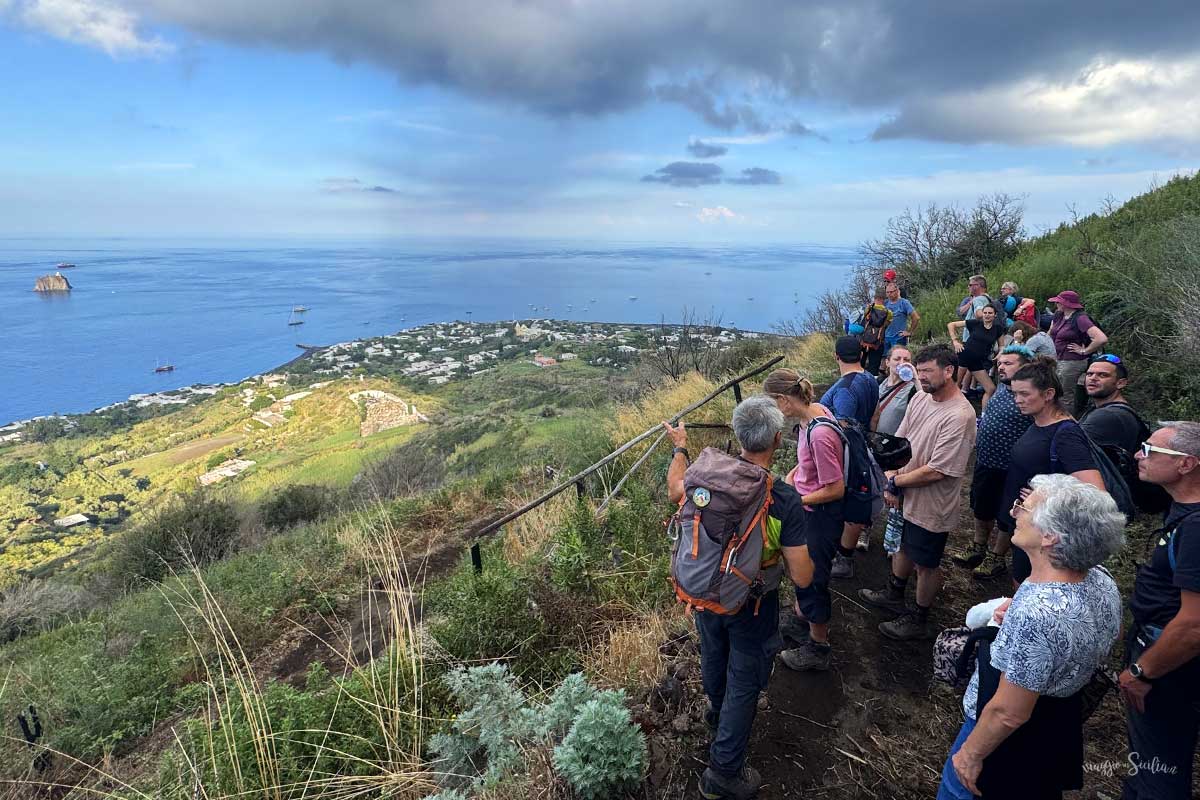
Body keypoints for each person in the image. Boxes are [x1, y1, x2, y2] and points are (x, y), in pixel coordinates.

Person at [939, 474, 1124, 800]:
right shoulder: (1101, 580)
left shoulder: (1040, 613)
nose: (1014, 513)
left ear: (1050, 536)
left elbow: (1009, 712)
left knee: (959, 788)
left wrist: (970, 756)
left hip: (1013, 731)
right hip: (1057, 722)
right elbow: (1094, 632)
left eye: (1023, 507)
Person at [665, 398, 814, 800]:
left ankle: (716, 713)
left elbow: (674, 488)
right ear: (779, 440)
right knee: (745, 682)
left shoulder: (705, 477)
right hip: (753, 601)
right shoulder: (781, 499)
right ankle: (722, 774)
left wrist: (680, 446)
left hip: (706, 592)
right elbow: (802, 576)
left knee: (713, 652)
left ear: (737, 435)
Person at [858, 344, 978, 640]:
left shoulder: (960, 415)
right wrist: (891, 474)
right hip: (905, 491)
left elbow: (938, 470)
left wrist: (896, 482)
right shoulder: (922, 398)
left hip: (932, 503)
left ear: (949, 371)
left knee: (926, 562)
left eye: (927, 371)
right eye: (919, 371)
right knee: (901, 545)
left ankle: (918, 616)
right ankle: (894, 592)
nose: (920, 377)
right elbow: (900, 439)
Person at [1121, 421, 1200, 800]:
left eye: (1150, 450)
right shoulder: (1183, 510)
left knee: (1161, 764)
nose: (1139, 454)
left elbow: (1194, 625)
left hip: (1168, 665)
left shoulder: (1197, 528)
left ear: (1185, 464)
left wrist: (1143, 670)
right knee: (1148, 754)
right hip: (1159, 650)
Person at [764, 369, 844, 672]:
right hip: (813, 512)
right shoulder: (815, 414)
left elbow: (835, 488)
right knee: (808, 577)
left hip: (819, 517)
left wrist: (797, 501)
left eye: (773, 402)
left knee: (812, 579)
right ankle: (803, 621)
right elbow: (811, 465)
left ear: (784, 400)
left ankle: (818, 647)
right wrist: (796, 475)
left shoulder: (819, 433)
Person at [998, 358, 1105, 585]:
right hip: (1029, 525)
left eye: (1025, 394)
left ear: (1048, 394)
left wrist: (1045, 497)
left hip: (1045, 534)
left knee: (1030, 588)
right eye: (1015, 394)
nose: (1018, 400)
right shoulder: (1040, 421)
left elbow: (1096, 492)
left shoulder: (1066, 434)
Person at [954, 345, 1033, 578]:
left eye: (1009, 363)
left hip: (1012, 469)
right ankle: (978, 547)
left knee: (1007, 516)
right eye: (1000, 363)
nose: (1001, 366)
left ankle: (996, 557)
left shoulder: (1031, 395)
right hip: (986, 461)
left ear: (1026, 367)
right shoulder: (1001, 387)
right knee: (980, 507)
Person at [824, 336, 880, 576]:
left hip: (846, 455)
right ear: (862, 354)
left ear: (836, 356)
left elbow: (844, 428)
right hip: (861, 445)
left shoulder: (845, 389)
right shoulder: (869, 379)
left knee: (847, 504)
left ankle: (843, 558)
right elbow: (873, 415)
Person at [1047, 290, 1108, 416]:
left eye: (1059, 301)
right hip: (1057, 359)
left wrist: (1084, 351)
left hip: (1072, 361)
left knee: (1064, 395)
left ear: (1066, 304)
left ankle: (1065, 422)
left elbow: (1101, 338)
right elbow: (1050, 332)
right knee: (1055, 391)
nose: (1056, 304)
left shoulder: (1080, 318)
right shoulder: (1059, 315)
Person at [1079, 354, 1144, 455]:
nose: (1093, 378)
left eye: (1103, 375)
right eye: (1089, 374)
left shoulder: (1109, 415)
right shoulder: (1104, 410)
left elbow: (1067, 448)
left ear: (1121, 383)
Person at [949, 304, 1004, 409]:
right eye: (985, 313)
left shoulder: (998, 329)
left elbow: (1001, 346)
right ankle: (949, 409)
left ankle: (983, 416)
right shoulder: (975, 323)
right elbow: (951, 325)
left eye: (990, 313)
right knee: (956, 385)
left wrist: (1000, 353)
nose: (987, 315)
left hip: (978, 361)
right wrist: (955, 341)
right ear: (982, 314)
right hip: (965, 356)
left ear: (995, 315)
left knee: (991, 389)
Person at [871, 345, 916, 436]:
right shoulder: (878, 382)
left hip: (894, 445)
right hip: (872, 441)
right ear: (887, 362)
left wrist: (916, 378)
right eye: (897, 359)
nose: (902, 363)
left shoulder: (913, 389)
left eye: (906, 360)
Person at [858, 289, 894, 376]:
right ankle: (873, 383)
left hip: (864, 341)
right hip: (877, 342)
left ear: (875, 298)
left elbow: (864, 320)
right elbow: (886, 325)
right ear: (884, 299)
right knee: (874, 367)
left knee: (859, 365)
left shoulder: (869, 308)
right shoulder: (889, 312)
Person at [883, 282, 919, 352]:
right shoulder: (885, 303)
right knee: (885, 358)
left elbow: (916, 317)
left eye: (891, 292)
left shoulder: (904, 303)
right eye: (887, 292)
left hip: (898, 337)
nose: (889, 294)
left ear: (897, 291)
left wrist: (910, 332)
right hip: (886, 337)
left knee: (898, 358)